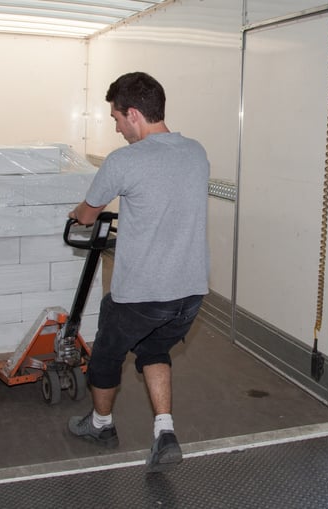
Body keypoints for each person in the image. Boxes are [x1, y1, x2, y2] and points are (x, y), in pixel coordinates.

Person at [67, 71, 209, 473]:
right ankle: (165, 432)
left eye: (115, 119)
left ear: (133, 114)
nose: (116, 128)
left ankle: (100, 425)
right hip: (191, 295)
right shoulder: (196, 152)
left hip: (143, 295)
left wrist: (77, 215)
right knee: (154, 350)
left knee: (105, 359)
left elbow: (89, 211)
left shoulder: (124, 160)